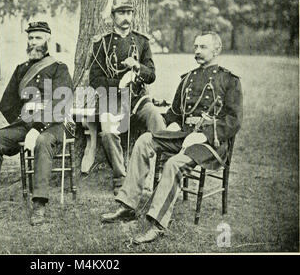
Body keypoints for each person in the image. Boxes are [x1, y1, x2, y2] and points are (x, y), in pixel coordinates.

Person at [101, 31, 243, 244]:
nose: (197, 51)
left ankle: (158, 224)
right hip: (184, 135)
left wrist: (202, 136)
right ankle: (128, 205)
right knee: (144, 141)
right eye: (195, 46)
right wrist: (172, 122)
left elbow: (233, 120)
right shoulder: (187, 78)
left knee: (173, 164)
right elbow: (175, 112)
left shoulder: (229, 80)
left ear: (217, 50)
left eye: (203, 47)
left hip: (211, 143)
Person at [0, 21, 73, 226]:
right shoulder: (21, 69)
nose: (33, 42)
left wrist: (37, 127)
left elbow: (61, 103)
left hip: (53, 125)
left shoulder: (59, 68)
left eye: (38, 37)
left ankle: (39, 204)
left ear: (48, 40)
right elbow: (7, 104)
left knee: (41, 141)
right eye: (31, 38)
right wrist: (23, 122)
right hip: (25, 124)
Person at [88, 0, 165, 195]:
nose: (126, 17)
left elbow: (151, 75)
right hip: (112, 100)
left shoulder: (142, 42)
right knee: (108, 131)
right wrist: (118, 82)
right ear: (113, 15)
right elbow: (94, 80)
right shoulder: (101, 43)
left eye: (129, 13)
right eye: (121, 13)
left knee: (157, 122)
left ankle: (150, 178)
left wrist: (137, 68)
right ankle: (121, 179)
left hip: (139, 99)